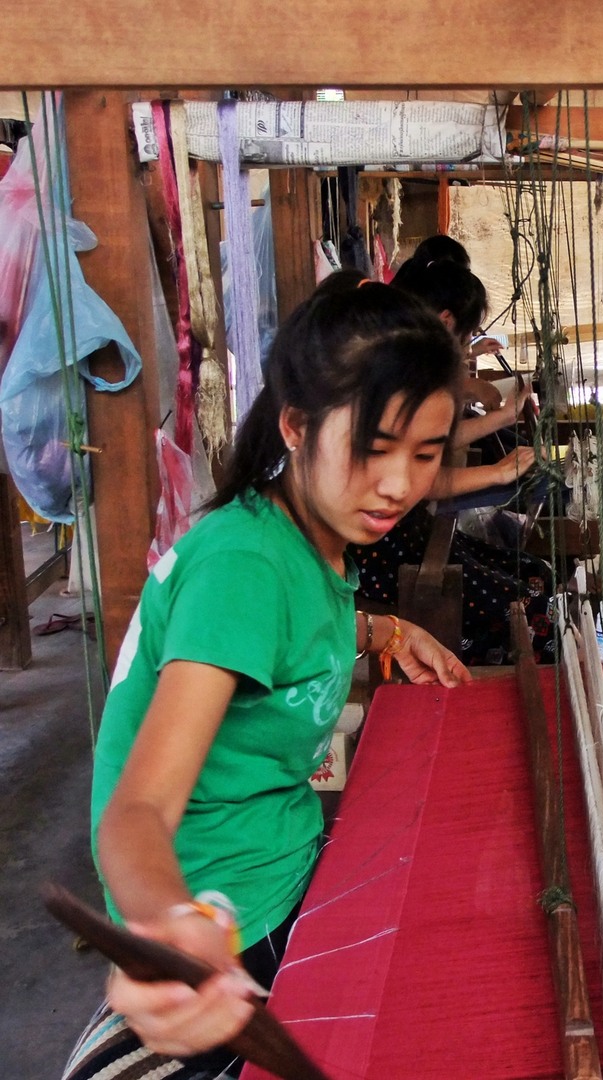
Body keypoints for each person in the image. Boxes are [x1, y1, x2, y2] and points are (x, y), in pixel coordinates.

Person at [63, 275, 471, 1080]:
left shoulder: (302, 542)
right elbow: (135, 811)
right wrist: (167, 930)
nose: (399, 484)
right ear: (295, 424)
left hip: (289, 868)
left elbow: (288, 636)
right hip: (217, 919)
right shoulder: (243, 566)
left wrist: (383, 630)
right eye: (374, 448)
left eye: (424, 454)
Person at [350, 254, 557, 665]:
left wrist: (499, 419)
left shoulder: (402, 372)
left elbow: (425, 454)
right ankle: (487, 689)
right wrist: (496, 472)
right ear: (446, 322)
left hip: (407, 531)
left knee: (538, 575)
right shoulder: (391, 379)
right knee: (524, 603)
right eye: (466, 339)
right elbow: (418, 480)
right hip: (381, 547)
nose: (467, 350)